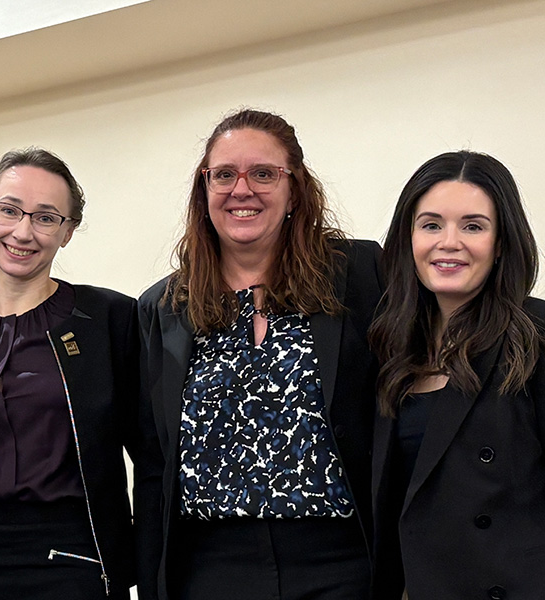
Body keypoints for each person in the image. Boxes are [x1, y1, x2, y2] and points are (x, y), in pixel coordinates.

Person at [136, 109, 387, 599]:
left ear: (295, 188)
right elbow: (152, 467)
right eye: (224, 174)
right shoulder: (163, 307)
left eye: (264, 173)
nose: (241, 189)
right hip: (210, 568)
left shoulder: (359, 273)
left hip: (342, 562)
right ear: (204, 189)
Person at [0, 148, 138, 599]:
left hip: (77, 563)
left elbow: (153, 453)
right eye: (9, 210)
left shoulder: (109, 318)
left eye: (45, 218)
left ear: (68, 232)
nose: (22, 231)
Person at [369, 151, 545, 599]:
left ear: (502, 241)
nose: (449, 242)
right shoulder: (391, 347)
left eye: (473, 226)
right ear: (408, 238)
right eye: (431, 225)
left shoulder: (536, 335)